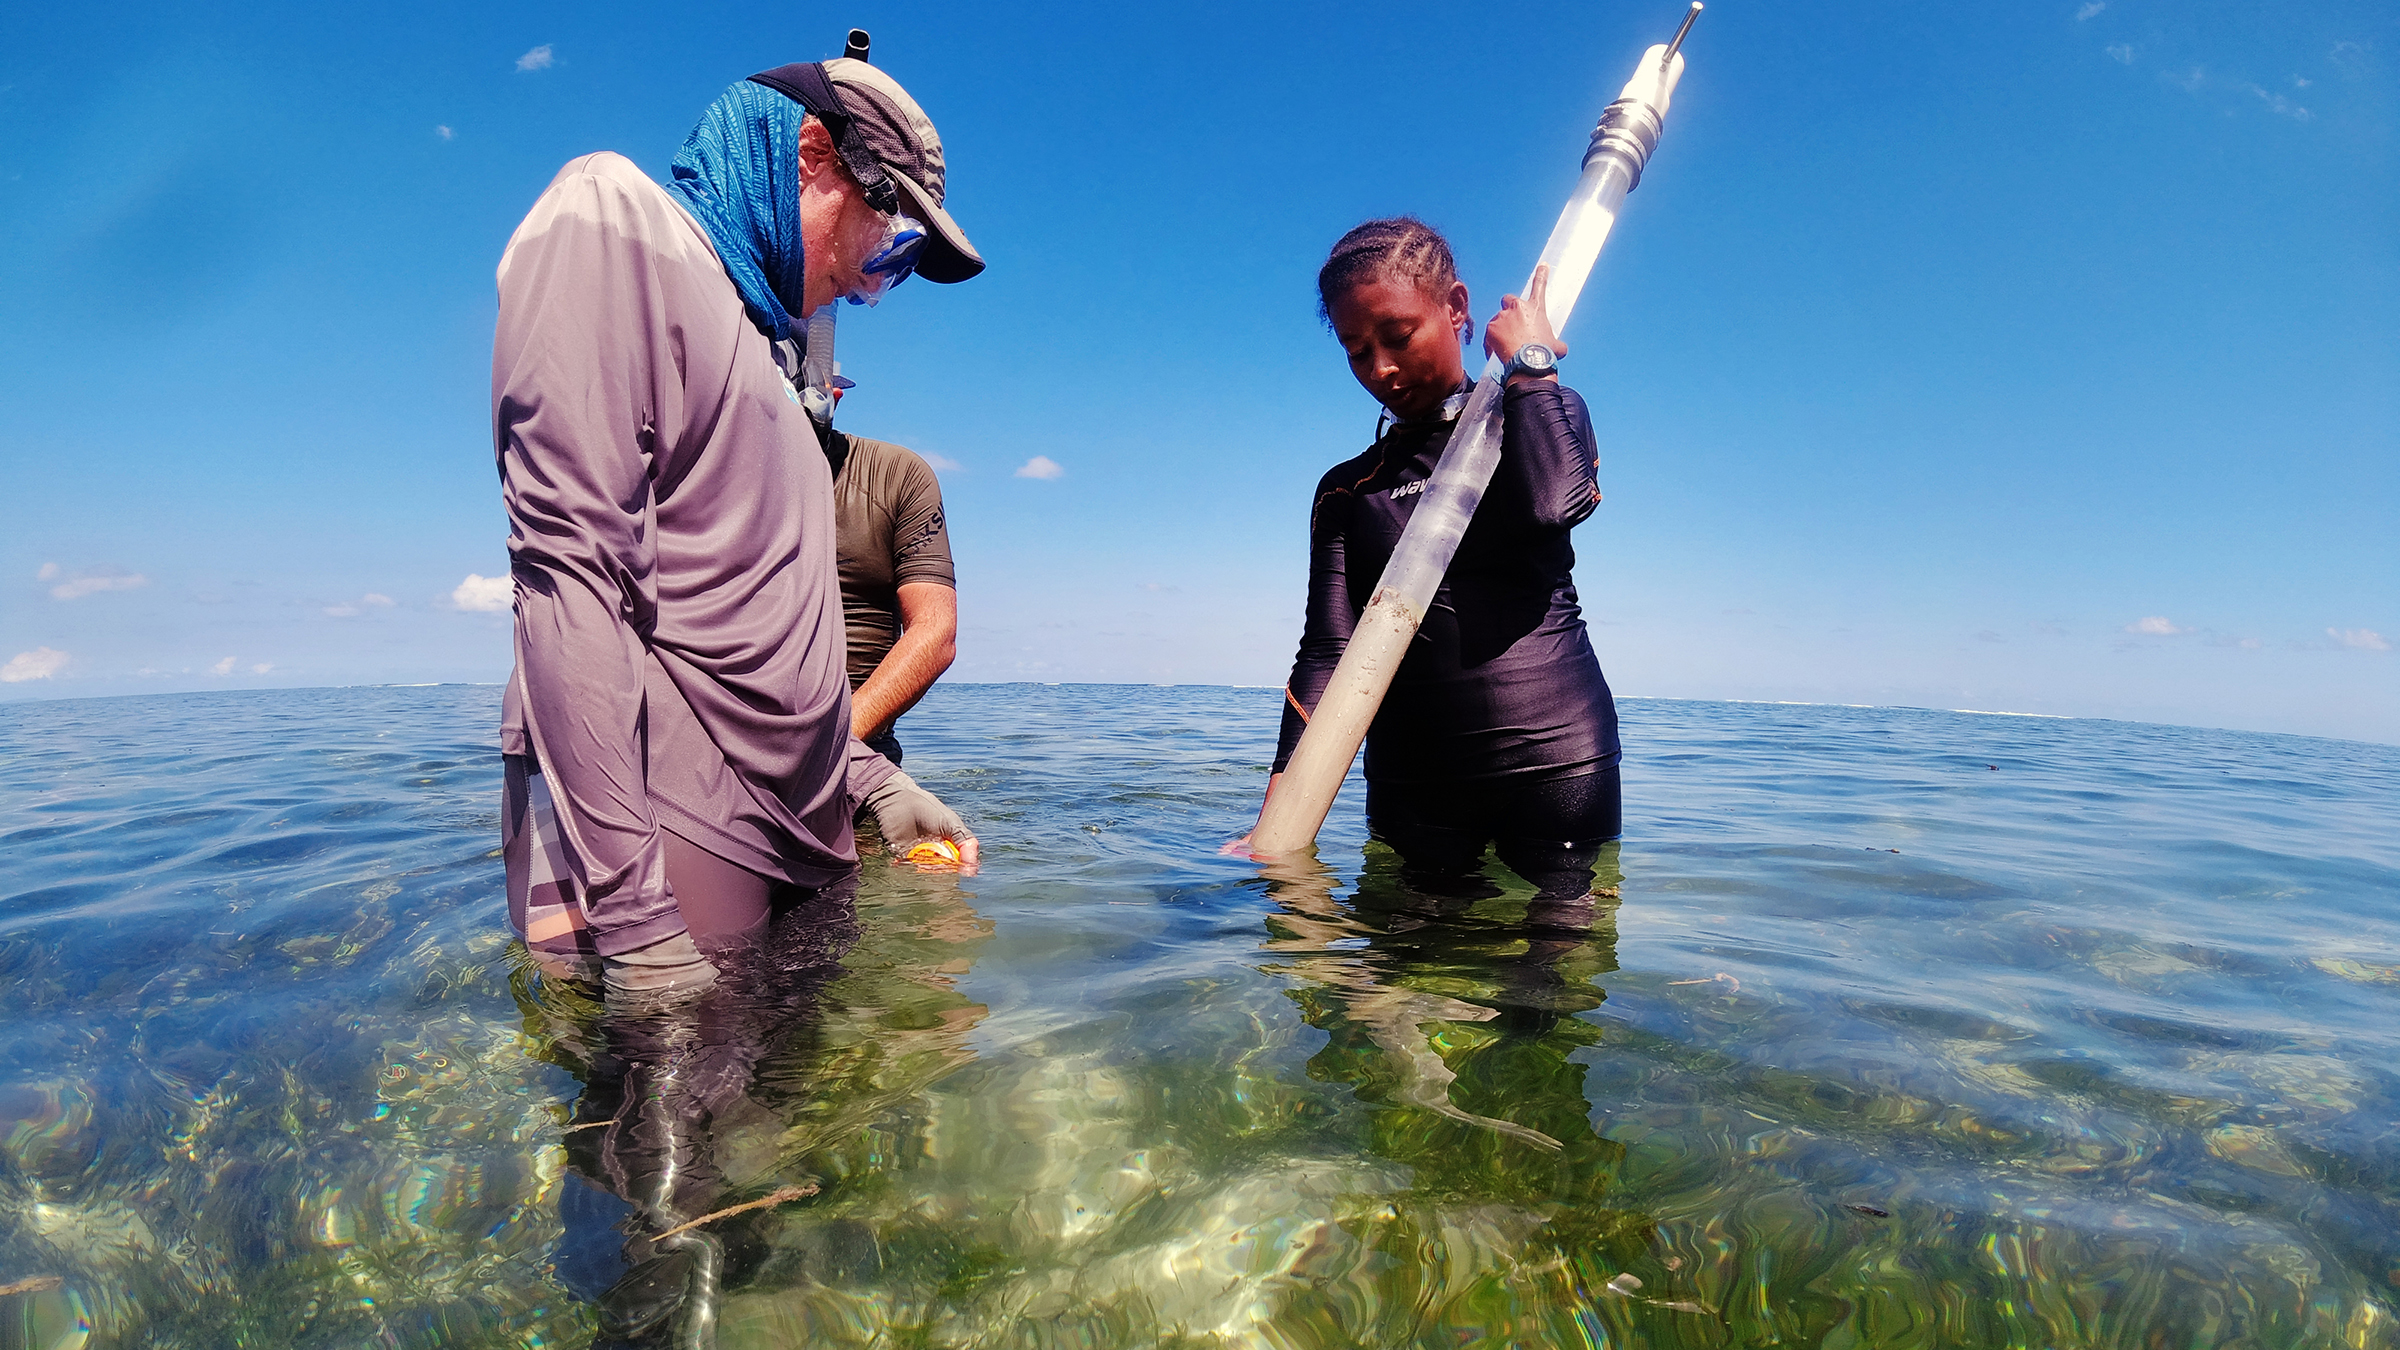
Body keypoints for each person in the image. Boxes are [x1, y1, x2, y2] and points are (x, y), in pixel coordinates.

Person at [493, 57, 982, 1000]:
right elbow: (571, 580)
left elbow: (752, 642)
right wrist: (635, 926)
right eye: (886, 245)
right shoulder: (616, 226)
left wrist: (874, 786)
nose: (864, 283)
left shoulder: (764, 359)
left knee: (787, 1122)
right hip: (677, 844)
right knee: (671, 1128)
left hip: (798, 834)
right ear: (813, 157)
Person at [1245, 217, 1622, 903]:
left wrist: (1531, 364)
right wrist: (1276, 815)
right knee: (1397, 974)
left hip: (1556, 760)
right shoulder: (1348, 489)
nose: (1381, 369)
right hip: (1414, 781)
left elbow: (1555, 503)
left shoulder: (1542, 410)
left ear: (1455, 307)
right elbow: (1327, 650)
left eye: (1397, 336)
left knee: (1549, 993)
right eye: (1358, 351)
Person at [819, 415, 957, 768]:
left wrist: (830, 747)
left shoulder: (896, 473)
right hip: (711, 754)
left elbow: (935, 630)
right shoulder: (691, 466)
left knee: (941, 826)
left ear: (833, 395)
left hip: (856, 750)